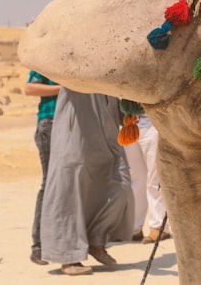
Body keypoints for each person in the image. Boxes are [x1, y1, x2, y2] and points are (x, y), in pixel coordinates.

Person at [39, 88, 135, 276]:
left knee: (121, 187)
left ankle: (96, 240)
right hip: (76, 133)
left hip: (108, 136)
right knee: (70, 193)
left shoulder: (110, 64)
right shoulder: (73, 62)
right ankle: (68, 257)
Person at [24, 71, 60, 266]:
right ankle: (38, 246)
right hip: (51, 123)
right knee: (49, 184)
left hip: (71, 125)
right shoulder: (45, 61)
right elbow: (30, 88)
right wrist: (63, 91)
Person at [123, 113, 172, 243]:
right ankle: (134, 227)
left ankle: (159, 226)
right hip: (130, 125)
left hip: (152, 124)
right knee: (135, 178)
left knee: (154, 179)